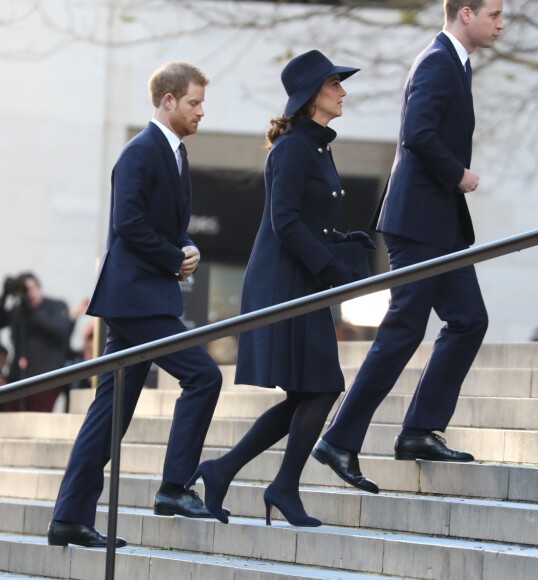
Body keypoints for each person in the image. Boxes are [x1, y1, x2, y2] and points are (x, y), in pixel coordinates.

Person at [312, 0, 503, 493]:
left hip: (439, 225)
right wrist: (457, 173)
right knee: (403, 329)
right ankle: (338, 440)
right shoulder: (438, 61)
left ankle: (419, 430)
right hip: (419, 222)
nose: (500, 24)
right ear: (465, 13)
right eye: (494, 14)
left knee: (468, 320)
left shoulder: (453, 63)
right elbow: (417, 134)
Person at [189, 50, 372, 527]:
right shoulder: (293, 149)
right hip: (285, 286)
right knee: (323, 386)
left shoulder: (313, 146)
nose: (343, 91)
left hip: (300, 282)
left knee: (307, 392)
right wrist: (331, 268)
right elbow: (285, 221)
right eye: (336, 84)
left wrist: (342, 244)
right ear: (315, 95)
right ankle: (280, 487)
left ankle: (225, 469)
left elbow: (305, 220)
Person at [47, 61, 224, 549]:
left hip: (142, 297)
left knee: (110, 412)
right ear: (167, 100)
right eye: (193, 102)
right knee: (204, 376)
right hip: (137, 300)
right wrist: (173, 258)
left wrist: (186, 247)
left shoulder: (176, 154)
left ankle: (68, 519)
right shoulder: (139, 153)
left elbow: (163, 224)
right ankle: (173, 488)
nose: (200, 112)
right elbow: (128, 223)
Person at [0, 272, 87, 411]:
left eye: (32, 288)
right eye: (25, 289)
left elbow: (61, 329)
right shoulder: (19, 311)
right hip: (18, 378)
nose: (29, 293)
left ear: (39, 287)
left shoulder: (56, 306)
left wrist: (31, 312)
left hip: (46, 378)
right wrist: (4, 295)